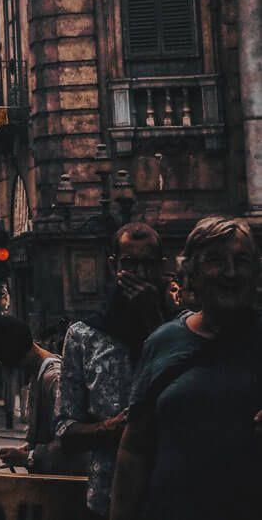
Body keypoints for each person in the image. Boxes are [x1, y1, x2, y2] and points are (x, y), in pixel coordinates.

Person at [109, 216, 262, 520]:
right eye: (217, 260)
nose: (231, 272)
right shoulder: (163, 342)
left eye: (241, 260)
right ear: (191, 273)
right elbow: (134, 450)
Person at [56, 221, 171, 519]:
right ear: (113, 266)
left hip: (173, 492)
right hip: (106, 498)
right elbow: (64, 428)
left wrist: (153, 319)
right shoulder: (84, 335)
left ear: (161, 267)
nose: (141, 274)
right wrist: (106, 429)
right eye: (131, 264)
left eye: (148, 264)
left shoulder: (185, 329)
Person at [0, 315, 85, 477]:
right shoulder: (38, 374)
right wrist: (27, 448)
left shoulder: (53, 377)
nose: (0, 363)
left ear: (10, 350)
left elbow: (70, 439)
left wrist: (29, 457)